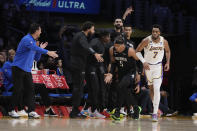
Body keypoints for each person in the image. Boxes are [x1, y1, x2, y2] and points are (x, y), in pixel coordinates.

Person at [9, 23, 58, 118]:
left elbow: (36, 58)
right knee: (18, 90)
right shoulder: (27, 39)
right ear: (36, 31)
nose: (41, 32)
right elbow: (34, 48)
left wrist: (40, 50)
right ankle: (11, 110)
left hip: (27, 70)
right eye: (40, 30)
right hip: (18, 68)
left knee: (31, 90)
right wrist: (47, 52)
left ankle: (31, 111)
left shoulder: (33, 42)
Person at [136, 24, 171, 122]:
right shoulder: (146, 40)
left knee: (156, 88)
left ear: (159, 32)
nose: (154, 33)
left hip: (158, 67)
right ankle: (156, 107)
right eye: (153, 31)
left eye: (156, 31)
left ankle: (155, 113)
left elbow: (168, 51)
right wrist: (143, 61)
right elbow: (137, 51)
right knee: (151, 89)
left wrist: (167, 62)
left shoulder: (164, 41)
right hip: (148, 67)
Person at [69, 21, 103, 118]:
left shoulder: (81, 36)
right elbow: (86, 46)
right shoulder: (81, 36)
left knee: (78, 88)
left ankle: (74, 111)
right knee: (78, 88)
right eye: (93, 29)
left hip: (78, 64)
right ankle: (74, 112)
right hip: (78, 65)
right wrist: (94, 53)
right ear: (88, 29)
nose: (93, 31)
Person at [105, 36, 141, 121]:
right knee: (123, 90)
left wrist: (138, 73)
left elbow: (140, 61)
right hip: (121, 73)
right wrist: (110, 73)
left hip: (131, 72)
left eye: (118, 46)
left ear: (123, 45)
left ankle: (117, 111)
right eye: (115, 45)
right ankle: (136, 108)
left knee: (120, 87)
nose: (116, 47)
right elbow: (113, 63)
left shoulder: (130, 50)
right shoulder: (112, 49)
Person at [81, 30, 111, 118]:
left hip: (97, 68)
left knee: (97, 90)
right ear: (103, 37)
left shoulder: (103, 44)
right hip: (90, 68)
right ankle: (91, 110)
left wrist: (105, 72)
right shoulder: (95, 41)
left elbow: (100, 60)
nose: (109, 38)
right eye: (108, 36)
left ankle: (89, 109)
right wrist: (94, 53)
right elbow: (87, 47)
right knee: (95, 89)